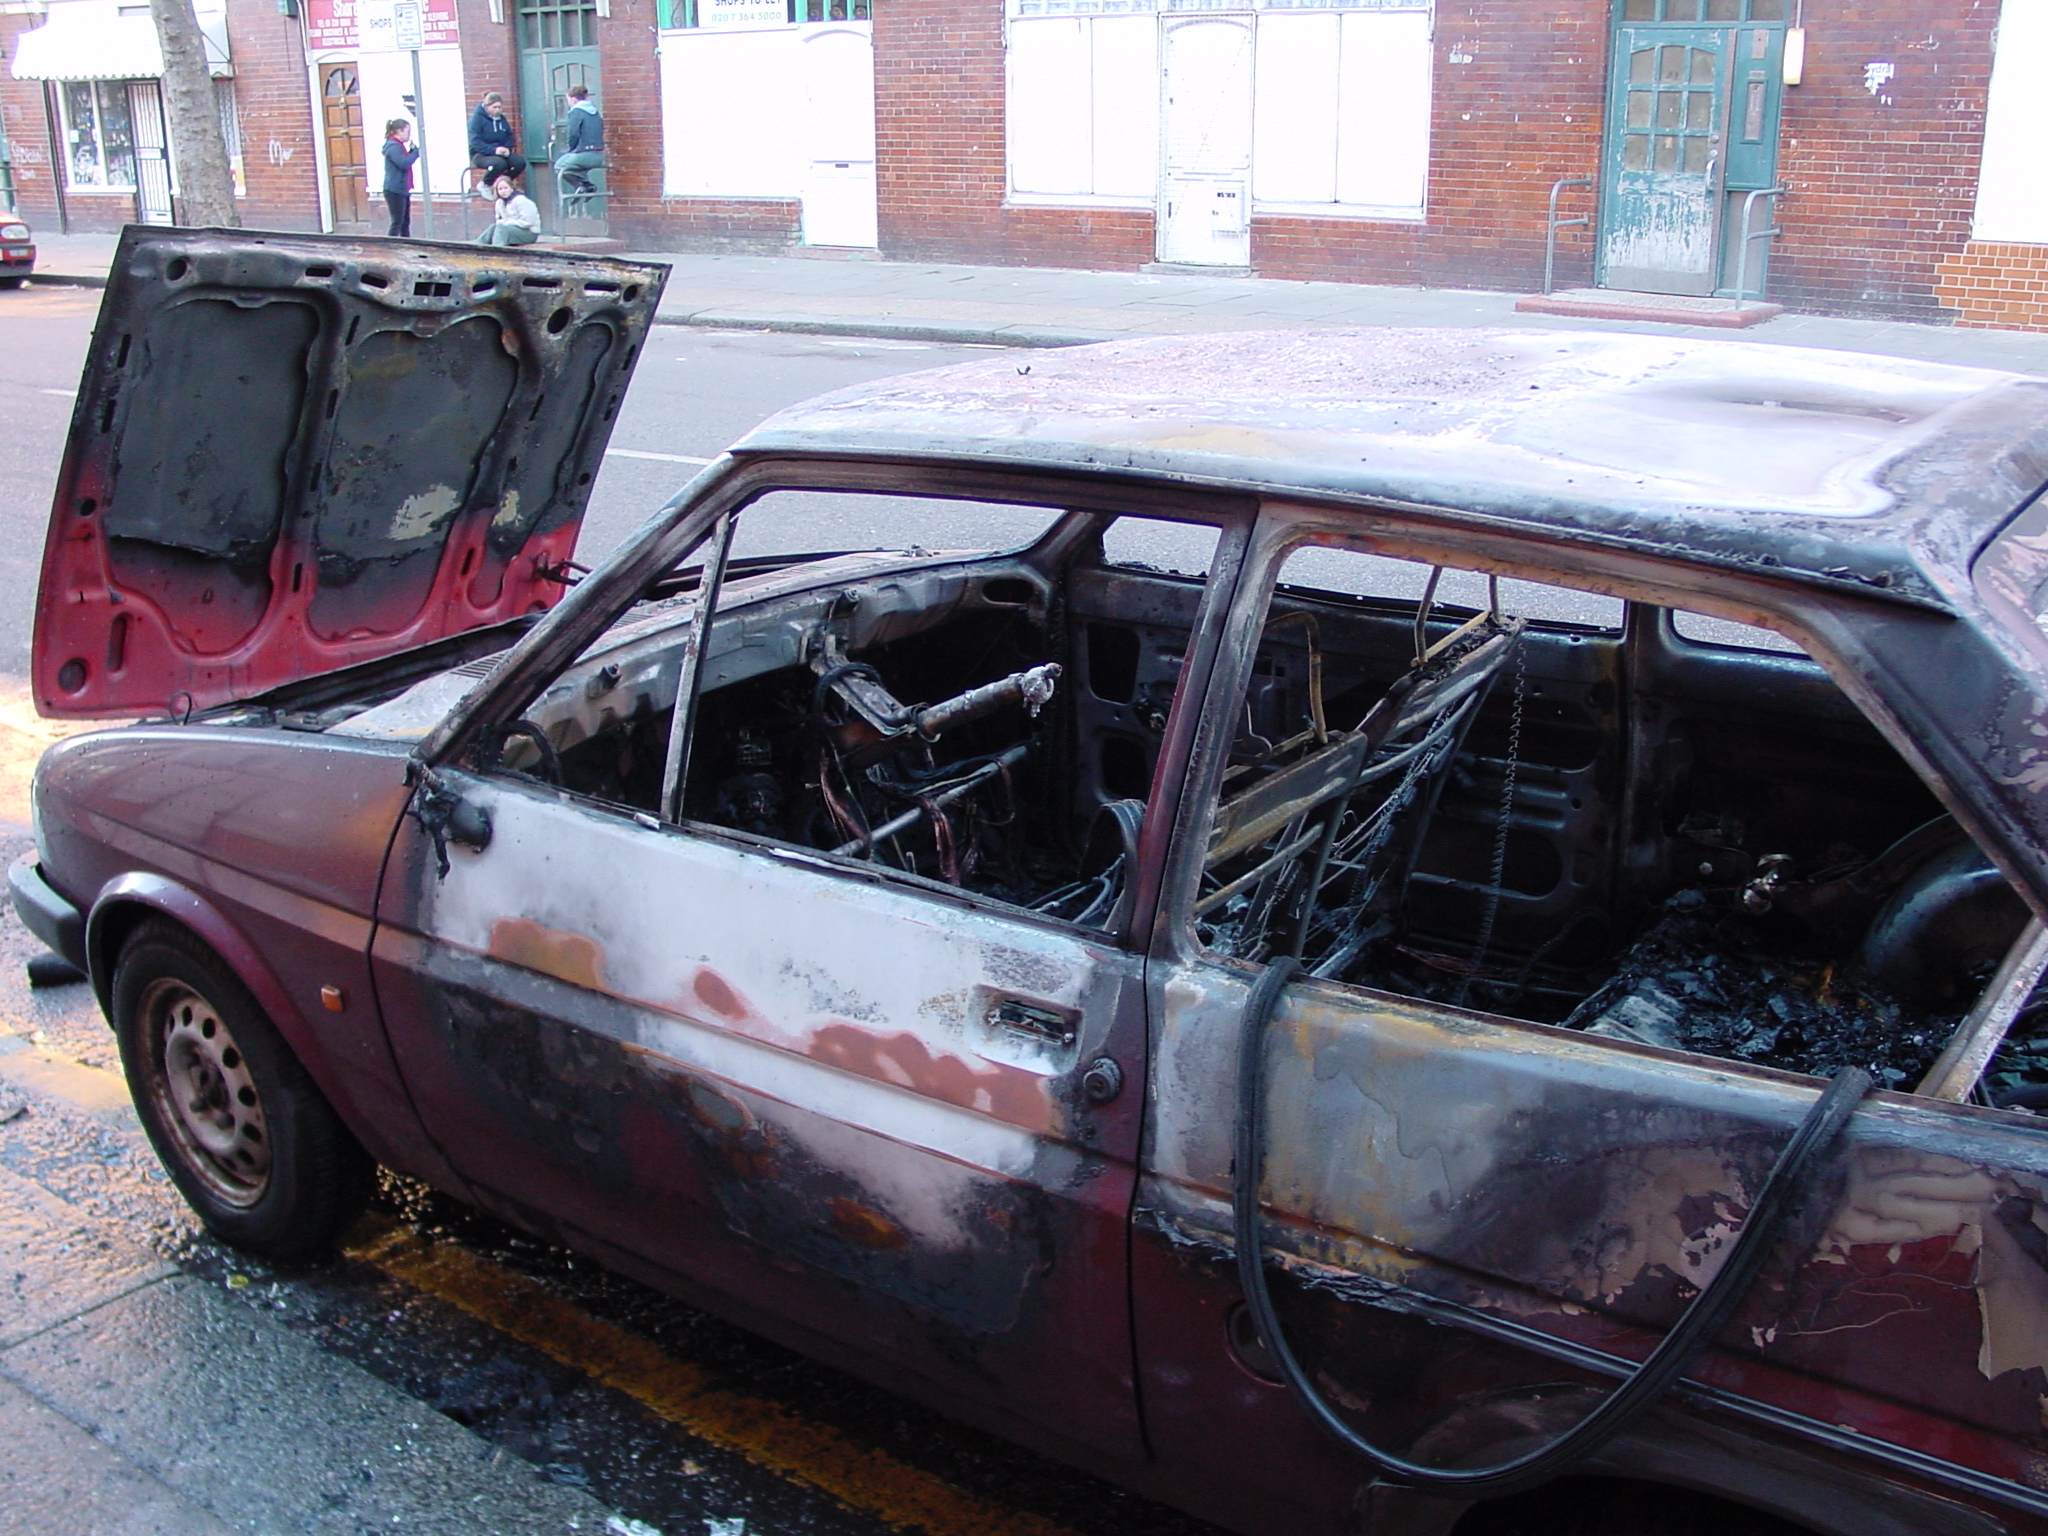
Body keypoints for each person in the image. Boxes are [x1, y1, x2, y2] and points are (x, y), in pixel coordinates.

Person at [553, 84, 605, 196]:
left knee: (559, 166)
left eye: (568, 99)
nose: (568, 103)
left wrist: (571, 149)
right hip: (599, 155)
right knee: (576, 167)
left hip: (584, 155)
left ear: (573, 99)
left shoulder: (576, 112)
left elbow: (573, 134)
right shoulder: (595, 112)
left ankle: (580, 186)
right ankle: (588, 186)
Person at [467, 92, 527, 188]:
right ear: (486, 107)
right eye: (494, 107)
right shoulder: (476, 119)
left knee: (519, 163)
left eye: (499, 107)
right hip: (480, 154)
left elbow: (509, 135)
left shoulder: (501, 119)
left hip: (500, 152)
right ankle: (485, 184)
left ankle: (503, 183)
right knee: (499, 164)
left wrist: (507, 148)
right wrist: (493, 150)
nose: (497, 110)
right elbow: (475, 141)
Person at [474, 172, 541, 247]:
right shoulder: (499, 203)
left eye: (505, 188)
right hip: (509, 229)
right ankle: (475, 249)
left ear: (511, 188)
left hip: (529, 233)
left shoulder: (521, 200)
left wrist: (507, 223)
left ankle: (497, 252)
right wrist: (504, 224)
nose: (503, 191)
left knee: (502, 229)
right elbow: (499, 220)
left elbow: (528, 222)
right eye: (500, 189)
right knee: (493, 227)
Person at [381, 119, 419, 237]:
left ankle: (406, 244)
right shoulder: (393, 146)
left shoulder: (397, 145)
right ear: (399, 131)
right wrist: (415, 153)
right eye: (408, 131)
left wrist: (411, 151)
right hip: (394, 189)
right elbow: (403, 163)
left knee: (404, 222)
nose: (409, 135)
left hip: (401, 188)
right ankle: (391, 246)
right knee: (397, 221)